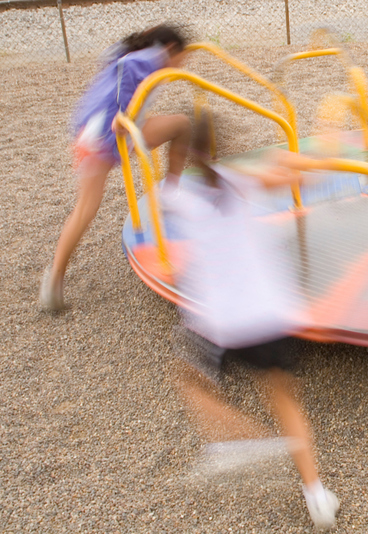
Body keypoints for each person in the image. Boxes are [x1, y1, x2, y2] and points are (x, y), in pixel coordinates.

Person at [168, 113, 340, 531]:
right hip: (267, 314)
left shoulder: (177, 196)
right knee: (284, 399)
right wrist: (319, 158)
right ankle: (317, 496)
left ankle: (243, 440)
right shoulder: (237, 180)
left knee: (190, 383)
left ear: (182, 155)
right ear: (219, 146)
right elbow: (292, 175)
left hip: (220, 323)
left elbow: (167, 179)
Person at [40, 24, 192, 310]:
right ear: (171, 49)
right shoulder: (151, 57)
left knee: (85, 208)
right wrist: (122, 113)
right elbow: (127, 69)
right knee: (183, 125)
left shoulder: (130, 53)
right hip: (107, 134)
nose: (180, 66)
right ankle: (169, 194)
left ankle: (54, 280)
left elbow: (115, 70)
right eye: (181, 59)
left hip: (91, 133)